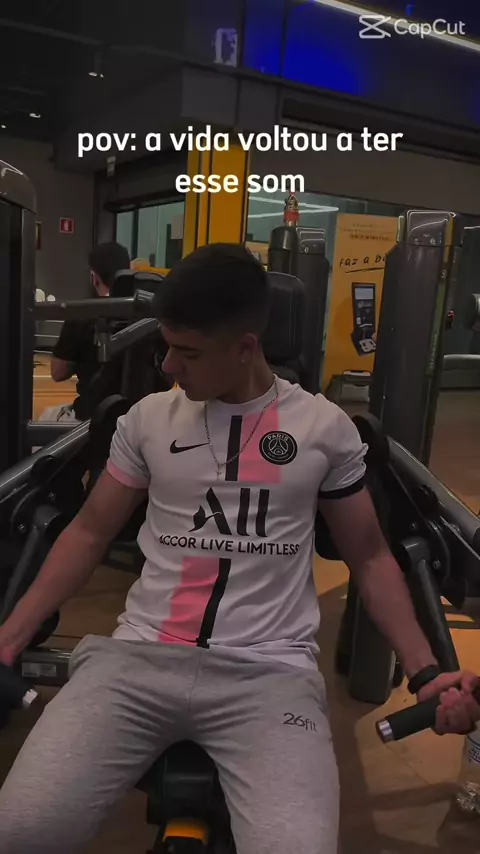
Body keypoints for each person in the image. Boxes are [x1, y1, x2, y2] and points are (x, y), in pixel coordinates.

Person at [0, 243, 478, 853]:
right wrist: (8, 640)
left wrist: (426, 671)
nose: (168, 365)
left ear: (246, 347)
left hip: (269, 673)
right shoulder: (147, 420)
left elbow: (371, 557)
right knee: (20, 830)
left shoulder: (322, 429)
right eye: (166, 347)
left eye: (188, 352)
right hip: (139, 659)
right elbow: (88, 533)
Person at [41, 241, 131, 423]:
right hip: (138, 416)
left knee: (47, 418)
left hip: (91, 418)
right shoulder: (146, 313)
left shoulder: (82, 314)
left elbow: (58, 373)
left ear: (94, 278)